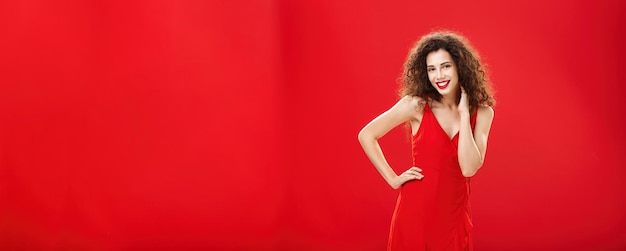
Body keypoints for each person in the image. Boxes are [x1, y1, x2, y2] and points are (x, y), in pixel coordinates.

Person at [358, 31, 495, 251]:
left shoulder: (483, 113)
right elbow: (366, 135)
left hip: (455, 216)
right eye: (431, 69)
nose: (438, 75)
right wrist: (393, 179)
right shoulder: (416, 105)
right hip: (416, 213)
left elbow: (468, 168)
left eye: (446, 66)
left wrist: (463, 114)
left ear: (460, 66)